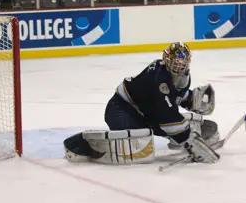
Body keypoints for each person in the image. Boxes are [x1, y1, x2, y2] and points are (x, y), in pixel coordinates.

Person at [64, 42, 221, 165]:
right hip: (121, 109)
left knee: (164, 127)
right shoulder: (159, 78)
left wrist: (192, 100)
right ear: (166, 59)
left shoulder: (183, 76)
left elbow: (174, 97)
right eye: (175, 63)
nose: (179, 67)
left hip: (146, 111)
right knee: (139, 139)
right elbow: (166, 116)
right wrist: (188, 140)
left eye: (182, 63)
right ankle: (86, 144)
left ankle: (178, 137)